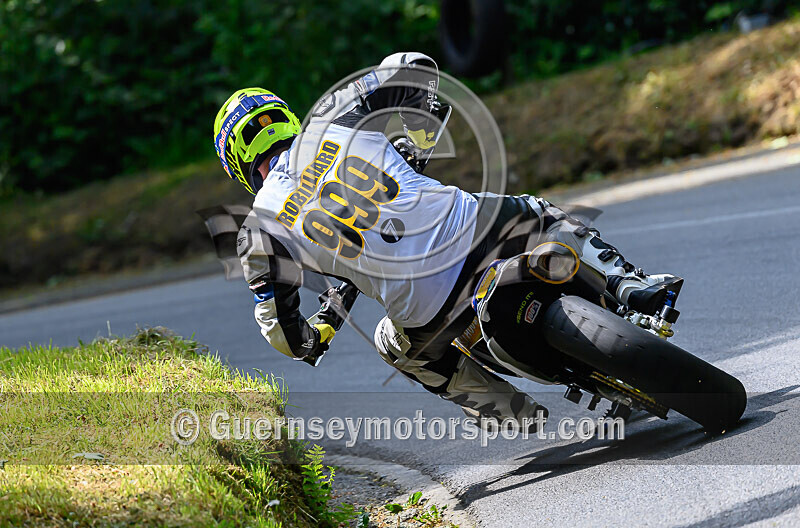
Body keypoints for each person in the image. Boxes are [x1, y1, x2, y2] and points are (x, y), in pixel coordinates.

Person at [212, 52, 673, 430]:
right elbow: (415, 65)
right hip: (480, 232)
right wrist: (418, 140)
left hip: (426, 310)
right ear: (288, 117)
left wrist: (312, 339)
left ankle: (511, 412)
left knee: (392, 346)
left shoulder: (259, 230)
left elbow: (284, 336)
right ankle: (628, 282)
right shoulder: (336, 116)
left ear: (237, 165)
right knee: (542, 212)